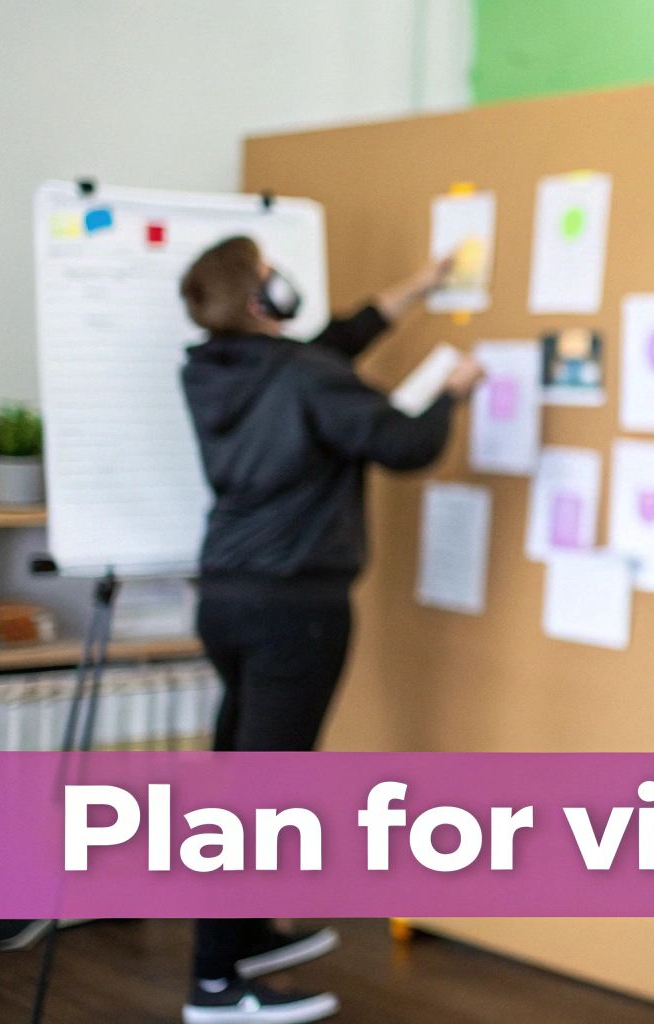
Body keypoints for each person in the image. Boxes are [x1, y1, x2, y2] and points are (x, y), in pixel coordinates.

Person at [176, 236, 483, 1022]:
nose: (285, 282)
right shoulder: (303, 377)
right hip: (295, 613)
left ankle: (242, 937)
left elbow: (330, 345)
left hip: (227, 600)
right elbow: (404, 443)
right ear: (259, 300)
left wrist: (415, 285)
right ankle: (215, 984)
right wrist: (453, 392)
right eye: (272, 275)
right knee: (258, 796)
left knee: (240, 774)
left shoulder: (215, 370)